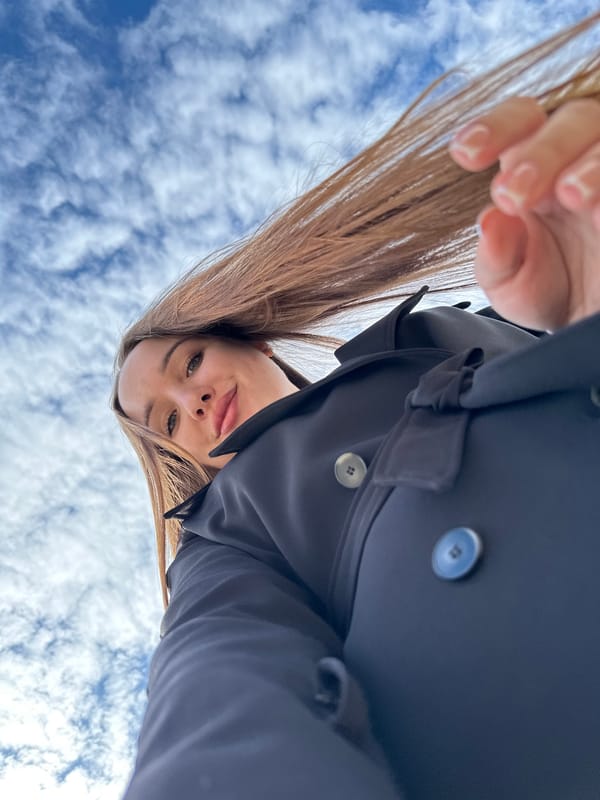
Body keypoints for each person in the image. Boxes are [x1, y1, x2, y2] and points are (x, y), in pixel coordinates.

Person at [113, 13, 600, 800]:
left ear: (248, 341)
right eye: (168, 421)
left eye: (189, 362)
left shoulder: (445, 328)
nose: (192, 398)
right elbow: (219, 700)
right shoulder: (230, 537)